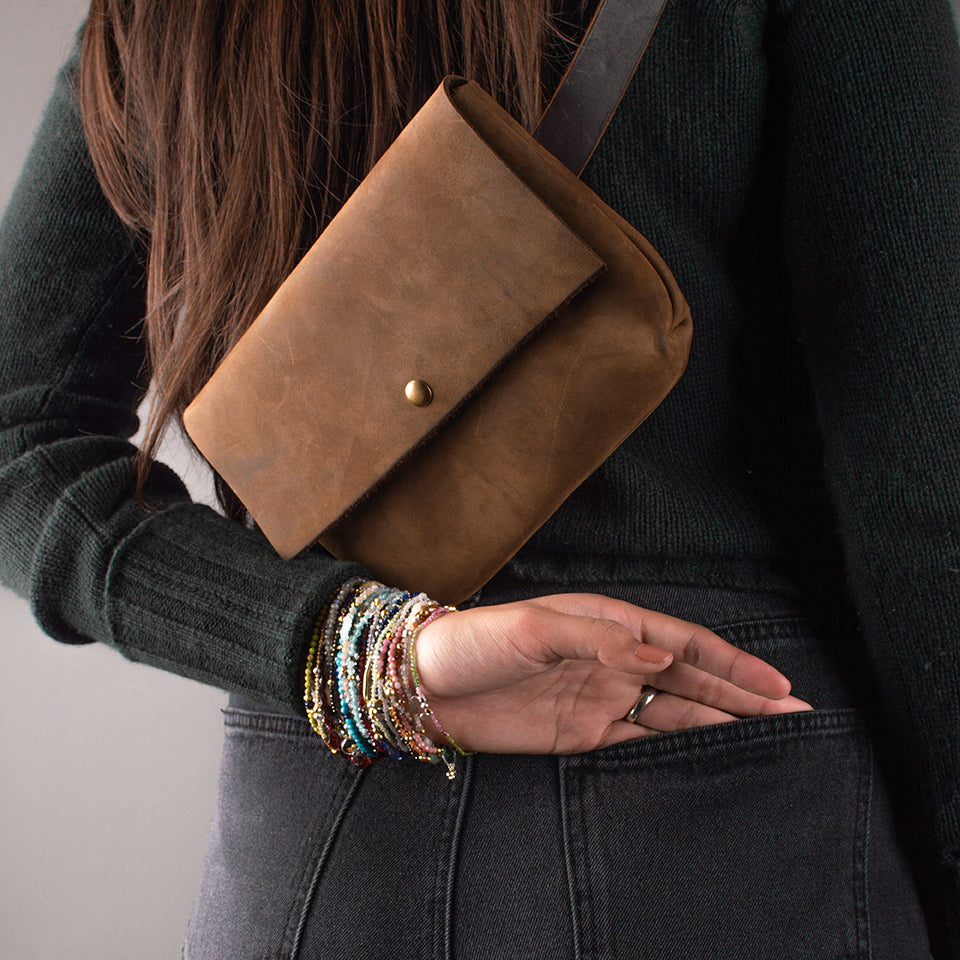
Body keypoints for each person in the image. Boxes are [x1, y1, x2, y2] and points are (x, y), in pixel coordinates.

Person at [0, 0, 957, 957]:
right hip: (717, 795)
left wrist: (359, 653)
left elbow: (16, 444)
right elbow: (924, 492)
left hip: (313, 843)